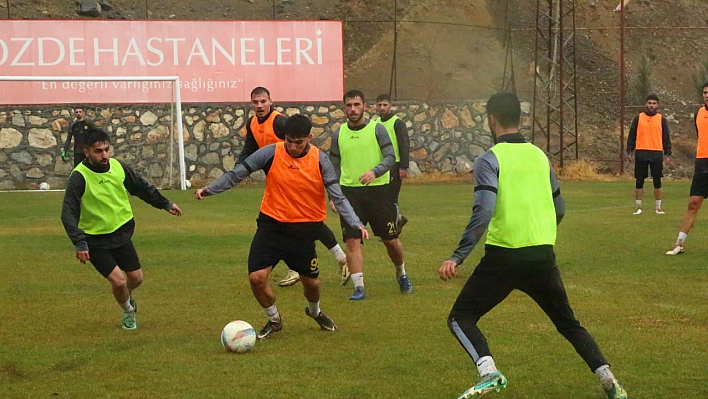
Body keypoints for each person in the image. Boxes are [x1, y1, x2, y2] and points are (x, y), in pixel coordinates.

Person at [438, 92, 627, 399]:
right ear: (519, 119)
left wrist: (458, 256)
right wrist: (540, 234)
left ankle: (489, 372)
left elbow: (484, 210)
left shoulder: (489, 159)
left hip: (503, 259)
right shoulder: (540, 156)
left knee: (461, 318)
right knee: (569, 324)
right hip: (542, 257)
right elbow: (560, 208)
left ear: (491, 119)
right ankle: (609, 380)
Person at [195, 114, 369, 339]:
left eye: (299, 142)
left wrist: (355, 222)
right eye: (289, 140)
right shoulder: (270, 152)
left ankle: (314, 311)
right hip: (272, 227)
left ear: (309, 137)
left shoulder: (320, 160)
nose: (293, 146)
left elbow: (338, 195)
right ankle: (274, 320)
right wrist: (210, 189)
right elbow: (237, 173)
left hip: (303, 232)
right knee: (256, 278)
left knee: (313, 285)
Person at [61, 128, 182, 330]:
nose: (104, 155)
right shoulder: (79, 177)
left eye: (107, 149)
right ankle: (128, 311)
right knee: (119, 282)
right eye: (98, 151)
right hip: (95, 240)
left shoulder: (117, 167)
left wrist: (165, 204)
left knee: (136, 279)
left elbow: (141, 188)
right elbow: (68, 213)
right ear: (87, 152)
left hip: (122, 234)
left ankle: (126, 297)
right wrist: (80, 242)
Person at [239, 86, 350, 287]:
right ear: (251, 104)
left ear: (270, 101)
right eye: (255, 102)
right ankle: (338, 257)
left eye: (263, 101)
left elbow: (300, 138)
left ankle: (304, 265)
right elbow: (249, 149)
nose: (259, 106)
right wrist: (239, 170)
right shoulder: (253, 123)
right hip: (280, 181)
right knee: (305, 222)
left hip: (298, 177)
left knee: (307, 221)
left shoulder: (279, 122)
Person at [329, 89, 412, 300]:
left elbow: (391, 157)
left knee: (390, 241)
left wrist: (374, 172)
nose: (353, 109)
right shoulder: (338, 134)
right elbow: (334, 167)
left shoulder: (377, 129)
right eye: (349, 105)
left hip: (379, 193)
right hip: (349, 194)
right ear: (344, 108)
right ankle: (359, 287)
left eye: (357, 105)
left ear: (365, 106)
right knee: (352, 240)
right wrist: (333, 194)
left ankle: (401, 273)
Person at [666, 82, 708, 255]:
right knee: (693, 204)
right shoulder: (698, 113)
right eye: (705, 92)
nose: (707, 95)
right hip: (702, 163)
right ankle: (679, 244)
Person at [626, 94, 671, 215]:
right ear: (646, 104)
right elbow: (632, 136)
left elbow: (666, 137)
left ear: (657, 105)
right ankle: (638, 207)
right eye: (649, 103)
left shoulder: (661, 119)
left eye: (654, 103)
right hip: (641, 152)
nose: (651, 105)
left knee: (657, 180)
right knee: (639, 180)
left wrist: (667, 153)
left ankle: (658, 207)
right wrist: (630, 151)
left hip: (656, 152)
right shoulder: (638, 118)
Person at [375, 93, 410, 231]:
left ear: (390, 106)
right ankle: (398, 219)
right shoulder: (375, 124)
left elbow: (404, 144)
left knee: (391, 198)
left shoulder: (397, 123)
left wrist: (403, 166)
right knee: (381, 198)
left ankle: (393, 227)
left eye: (385, 105)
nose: (382, 108)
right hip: (380, 166)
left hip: (394, 166)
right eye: (379, 105)